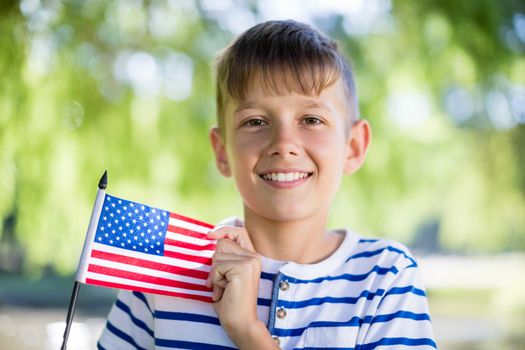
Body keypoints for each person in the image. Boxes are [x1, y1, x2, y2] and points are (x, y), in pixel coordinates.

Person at [97, 20, 436, 349]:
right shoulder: (163, 276)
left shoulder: (384, 277)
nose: (283, 143)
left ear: (354, 146)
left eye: (312, 119)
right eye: (255, 121)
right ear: (222, 151)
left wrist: (248, 331)